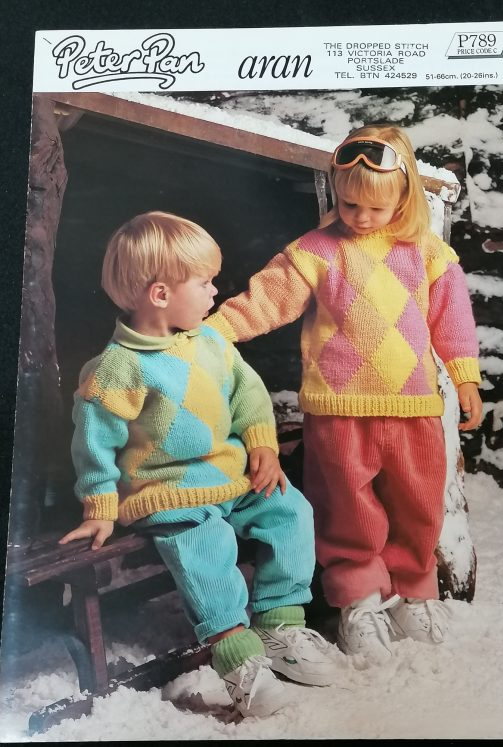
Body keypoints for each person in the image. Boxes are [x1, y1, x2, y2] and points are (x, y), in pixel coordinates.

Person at [206, 125, 483, 662]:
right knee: (347, 509)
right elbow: (266, 300)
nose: (360, 217)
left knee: (419, 504)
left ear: (404, 197)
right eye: (349, 203)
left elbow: (453, 321)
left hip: (414, 406)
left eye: (376, 208)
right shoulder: (316, 250)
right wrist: (212, 331)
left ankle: (413, 591)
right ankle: (359, 601)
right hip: (337, 410)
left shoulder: (429, 252)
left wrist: (465, 376)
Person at [59, 211, 338, 718]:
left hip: (231, 475)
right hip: (169, 490)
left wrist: (262, 444)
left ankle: (279, 622)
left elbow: (248, 394)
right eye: (205, 282)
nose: (215, 292)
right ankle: (236, 655)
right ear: (160, 294)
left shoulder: (211, 341)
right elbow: (93, 443)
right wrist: (99, 506)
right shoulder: (118, 368)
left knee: (291, 512)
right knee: (205, 548)